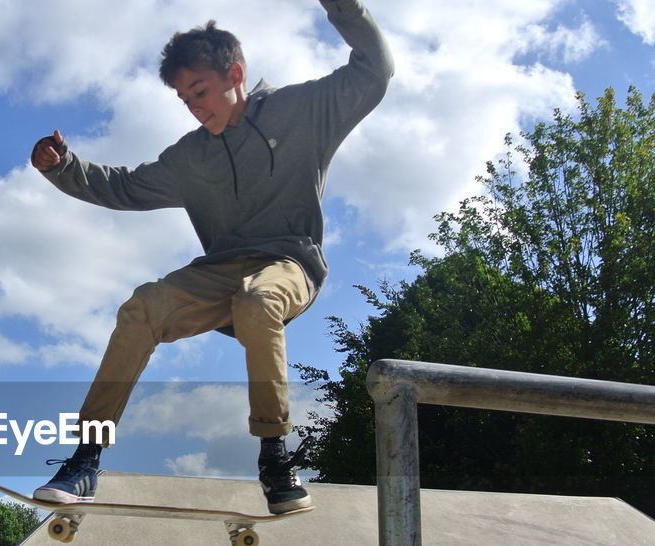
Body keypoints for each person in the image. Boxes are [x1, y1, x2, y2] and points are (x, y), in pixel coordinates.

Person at [30, 0, 393, 513]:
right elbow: (126, 186)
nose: (195, 108)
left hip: (289, 264)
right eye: (184, 99)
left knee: (258, 299)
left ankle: (275, 457)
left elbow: (375, 71)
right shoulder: (190, 156)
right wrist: (63, 166)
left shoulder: (304, 112)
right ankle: (85, 459)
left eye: (200, 92)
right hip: (219, 272)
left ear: (236, 74)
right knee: (143, 307)